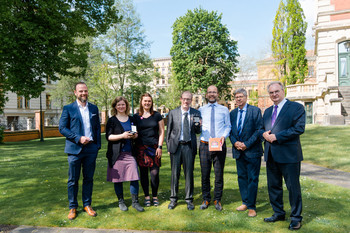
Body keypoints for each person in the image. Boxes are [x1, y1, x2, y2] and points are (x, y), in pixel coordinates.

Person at [262, 81, 305, 230]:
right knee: (273, 186)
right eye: (271, 92)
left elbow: (299, 128)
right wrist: (264, 135)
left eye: (276, 91)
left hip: (289, 155)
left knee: (293, 188)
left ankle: (296, 218)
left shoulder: (296, 107)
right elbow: (263, 129)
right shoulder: (267, 111)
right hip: (271, 154)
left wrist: (277, 136)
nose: (274, 94)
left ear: (283, 91)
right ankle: (278, 212)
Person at [59, 82, 101, 220]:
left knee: (88, 179)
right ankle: (72, 207)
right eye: (81, 91)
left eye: (86, 91)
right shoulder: (68, 108)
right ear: (75, 93)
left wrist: (97, 146)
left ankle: (87, 205)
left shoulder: (94, 108)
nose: (84, 93)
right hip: (74, 149)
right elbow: (62, 128)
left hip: (91, 150)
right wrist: (78, 138)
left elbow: (96, 129)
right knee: (73, 180)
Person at [105, 97, 144, 212]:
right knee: (118, 179)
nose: (121, 107)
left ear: (126, 106)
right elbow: (109, 137)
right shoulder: (112, 120)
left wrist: (134, 135)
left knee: (134, 177)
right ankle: (121, 201)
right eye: (119, 105)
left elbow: (136, 134)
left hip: (130, 153)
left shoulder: (131, 119)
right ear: (115, 106)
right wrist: (122, 136)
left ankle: (135, 202)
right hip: (116, 154)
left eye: (123, 104)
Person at [229, 88, 263, 217]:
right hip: (238, 151)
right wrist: (235, 142)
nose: (238, 99)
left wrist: (246, 144)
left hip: (252, 151)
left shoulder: (255, 111)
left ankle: (252, 207)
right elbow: (230, 131)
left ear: (246, 97)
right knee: (242, 178)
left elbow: (259, 130)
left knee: (252, 179)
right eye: (236, 97)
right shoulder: (232, 113)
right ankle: (245, 202)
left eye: (240, 96)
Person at [166, 91, 201, 210]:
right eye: (184, 99)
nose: (186, 101)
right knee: (175, 174)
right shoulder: (173, 113)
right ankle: (173, 199)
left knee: (189, 174)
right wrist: (169, 147)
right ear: (181, 99)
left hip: (189, 147)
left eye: (189, 99)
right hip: (176, 147)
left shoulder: (196, 113)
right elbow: (168, 132)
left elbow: (197, 131)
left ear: (191, 100)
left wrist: (198, 125)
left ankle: (189, 200)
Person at [198, 85, 231, 211]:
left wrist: (224, 136)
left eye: (214, 92)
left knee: (218, 174)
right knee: (204, 174)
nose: (212, 94)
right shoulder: (201, 110)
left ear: (218, 94)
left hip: (219, 145)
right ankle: (206, 199)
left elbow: (228, 126)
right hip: (204, 145)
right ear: (206, 94)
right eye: (210, 92)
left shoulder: (224, 110)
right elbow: (197, 127)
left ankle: (217, 199)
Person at [134, 93, 165, 207]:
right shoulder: (136, 116)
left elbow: (162, 131)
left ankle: (155, 196)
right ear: (141, 102)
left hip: (154, 148)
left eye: (149, 101)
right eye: (145, 101)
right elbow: (134, 131)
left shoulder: (157, 115)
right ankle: (147, 196)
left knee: (155, 173)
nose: (147, 103)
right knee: (143, 174)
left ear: (151, 103)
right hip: (141, 148)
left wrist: (160, 146)